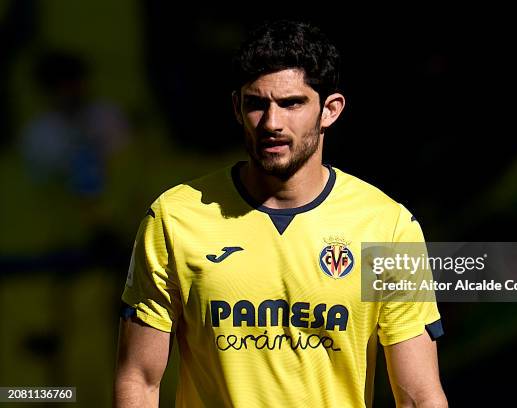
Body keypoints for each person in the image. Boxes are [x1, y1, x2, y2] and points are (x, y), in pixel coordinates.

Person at [114, 20, 447, 407]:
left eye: (291, 104)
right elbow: (139, 379)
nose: (272, 123)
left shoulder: (387, 226)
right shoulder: (173, 218)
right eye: (257, 104)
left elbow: (420, 395)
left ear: (330, 110)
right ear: (237, 108)